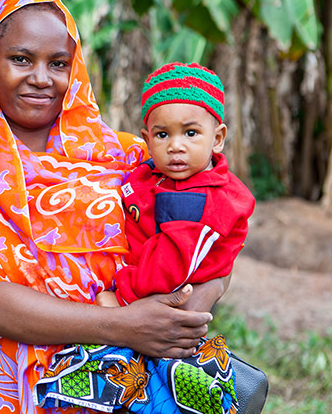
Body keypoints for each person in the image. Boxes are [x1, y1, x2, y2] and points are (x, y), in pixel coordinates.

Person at [0, 0, 226, 414]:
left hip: (138, 382)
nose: (41, 78)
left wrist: (176, 322)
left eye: (58, 63)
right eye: (21, 59)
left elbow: (217, 242)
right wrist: (123, 326)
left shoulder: (133, 156)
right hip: (18, 386)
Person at [34, 62, 255, 413]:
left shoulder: (201, 199)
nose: (176, 147)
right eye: (162, 135)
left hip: (161, 305)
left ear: (218, 137)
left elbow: (172, 265)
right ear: (146, 136)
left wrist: (121, 300)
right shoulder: (162, 179)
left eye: (191, 133)